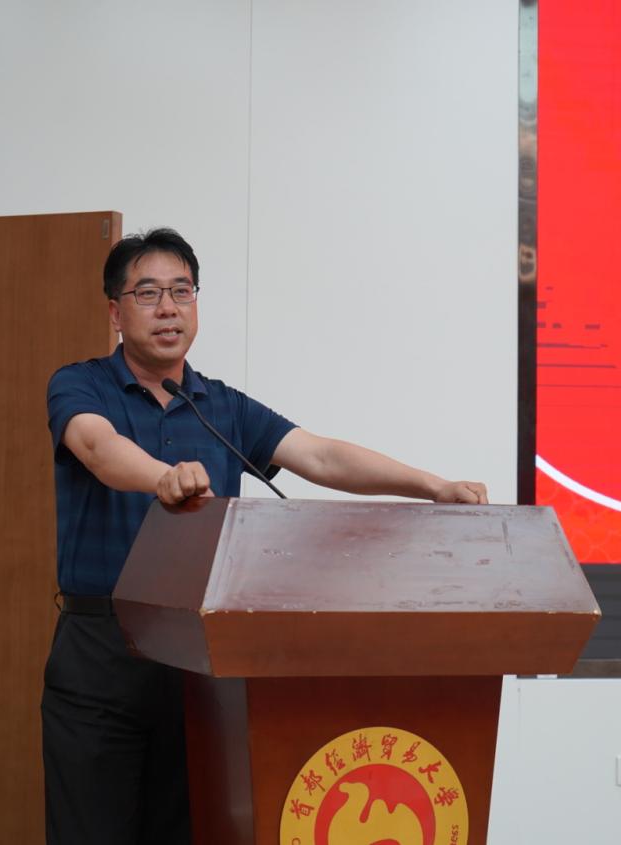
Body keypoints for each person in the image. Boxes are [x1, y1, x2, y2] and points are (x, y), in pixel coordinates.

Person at [42, 228, 487, 845]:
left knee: (191, 829)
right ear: (116, 312)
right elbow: (97, 447)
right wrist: (161, 477)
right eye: (148, 293)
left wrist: (431, 486)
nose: (168, 308)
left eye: (181, 291)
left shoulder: (220, 407)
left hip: (197, 658)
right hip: (101, 655)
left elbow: (321, 456)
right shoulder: (80, 384)